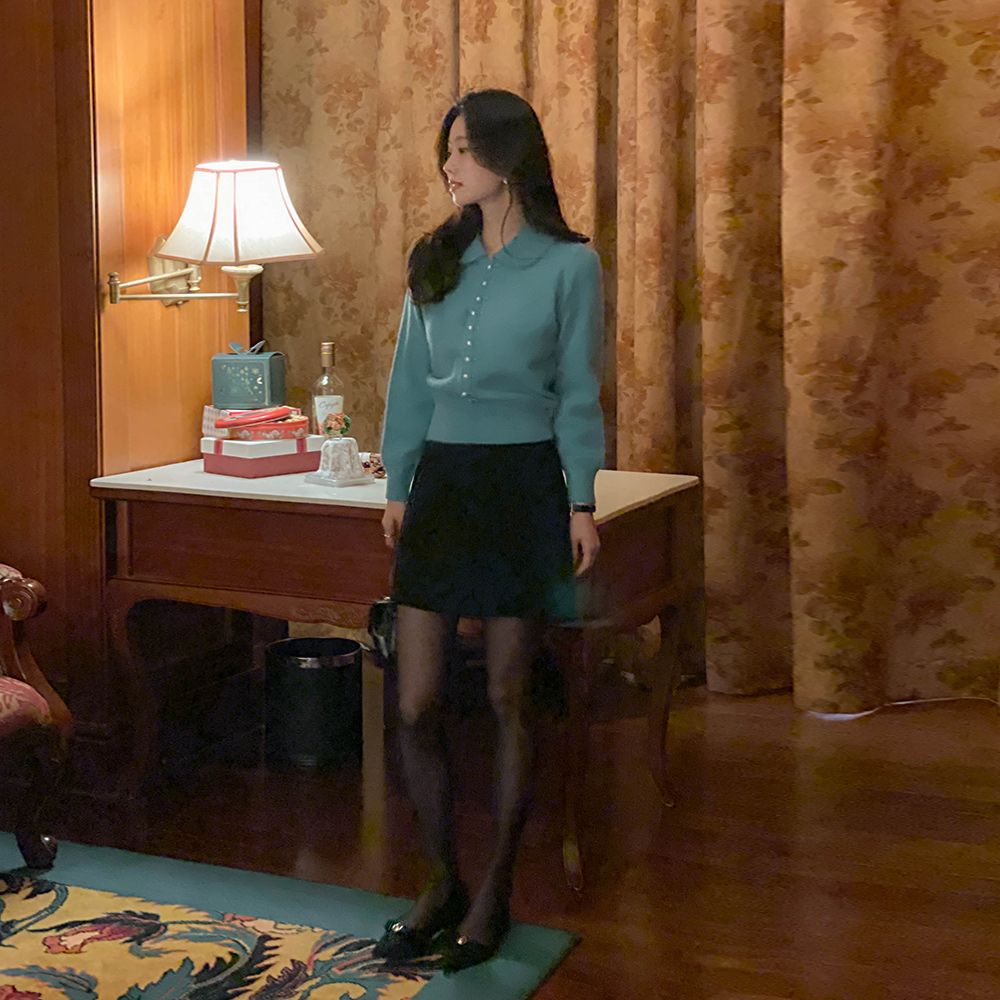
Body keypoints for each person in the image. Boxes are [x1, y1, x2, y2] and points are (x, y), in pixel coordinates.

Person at [375, 88, 604, 973]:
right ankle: (442, 880)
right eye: (448, 148)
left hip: (523, 488)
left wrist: (581, 499)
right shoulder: (435, 259)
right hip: (442, 485)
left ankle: (495, 891)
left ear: (509, 159)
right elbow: (407, 382)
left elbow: (578, 390)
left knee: (510, 695)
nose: (449, 164)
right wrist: (398, 484)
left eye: (465, 149)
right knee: (416, 700)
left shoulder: (570, 266)